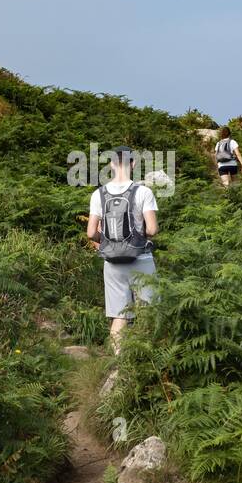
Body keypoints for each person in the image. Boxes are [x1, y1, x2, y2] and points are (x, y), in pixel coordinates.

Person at [86, 147, 158, 353]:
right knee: (148, 312)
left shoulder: (98, 194)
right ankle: (145, 361)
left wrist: (108, 240)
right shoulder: (143, 192)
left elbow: (91, 233)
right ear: (133, 164)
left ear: (111, 164)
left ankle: (119, 364)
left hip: (112, 263)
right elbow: (152, 229)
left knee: (119, 315)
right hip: (141, 259)